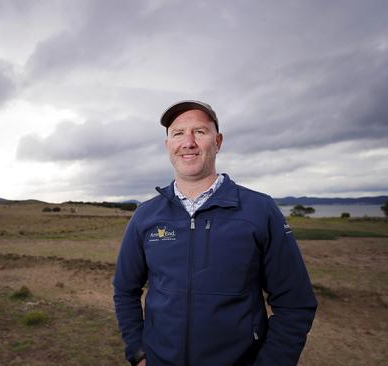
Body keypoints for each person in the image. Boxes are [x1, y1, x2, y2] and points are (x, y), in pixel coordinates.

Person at [113, 100, 317, 366]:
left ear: (218, 141)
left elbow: (295, 303)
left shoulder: (260, 210)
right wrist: (138, 352)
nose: (188, 142)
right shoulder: (146, 215)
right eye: (178, 133)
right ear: (168, 146)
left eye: (199, 131)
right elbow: (125, 289)